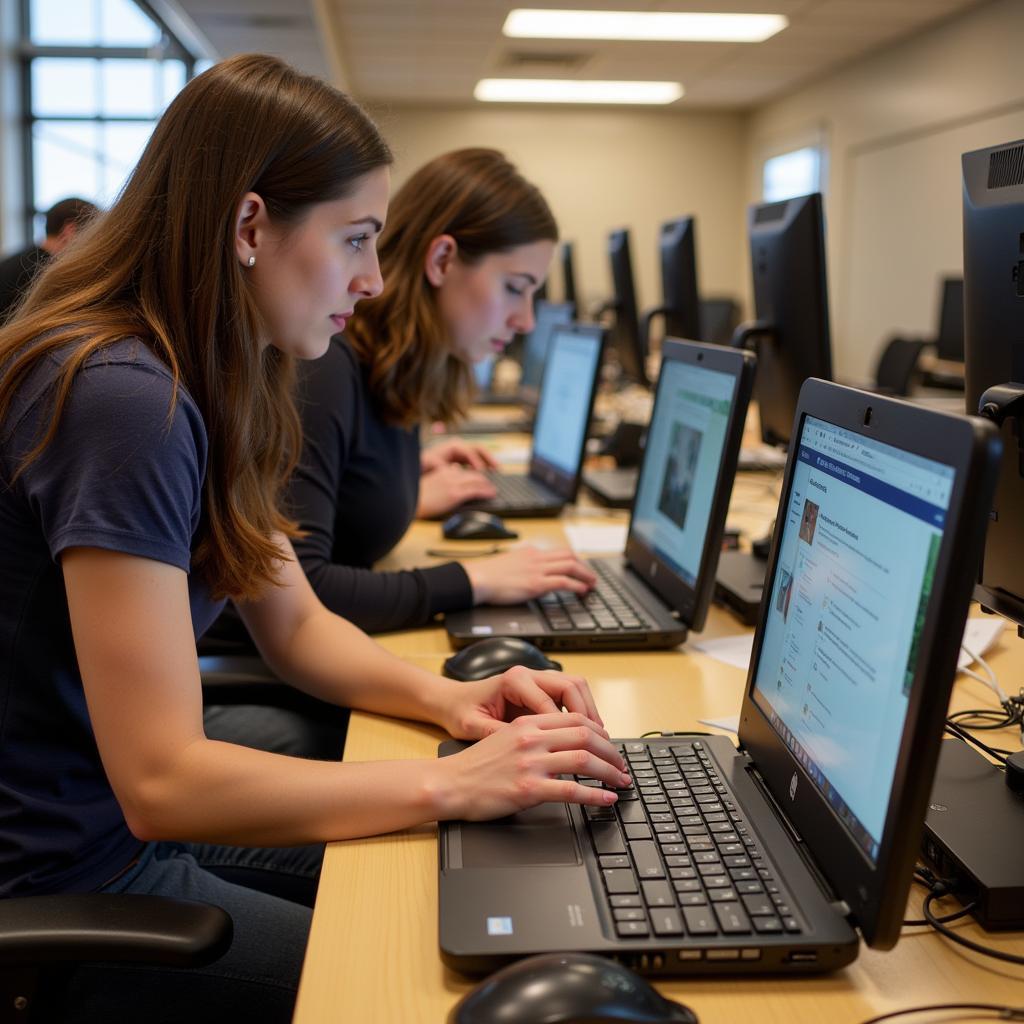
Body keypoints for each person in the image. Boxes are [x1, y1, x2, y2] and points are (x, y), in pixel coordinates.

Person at [0, 56, 628, 1024]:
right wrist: (443, 782)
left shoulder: (213, 375)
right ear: (250, 227)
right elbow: (162, 781)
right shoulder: (123, 398)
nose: (374, 279)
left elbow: (293, 621)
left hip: (105, 828)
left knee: (491, 868)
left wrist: (454, 703)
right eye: (354, 240)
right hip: (63, 872)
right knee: (424, 985)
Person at [207, 148, 596, 648]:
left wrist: (403, 484)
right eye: (514, 288)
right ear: (442, 260)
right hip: (259, 670)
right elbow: (308, 589)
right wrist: (474, 580)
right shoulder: (325, 367)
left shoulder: (394, 366)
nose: (526, 320)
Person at [0, 197, 98, 321]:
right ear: (70, 231)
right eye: (93, 234)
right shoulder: (41, 274)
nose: (94, 245)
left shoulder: (19, 263)